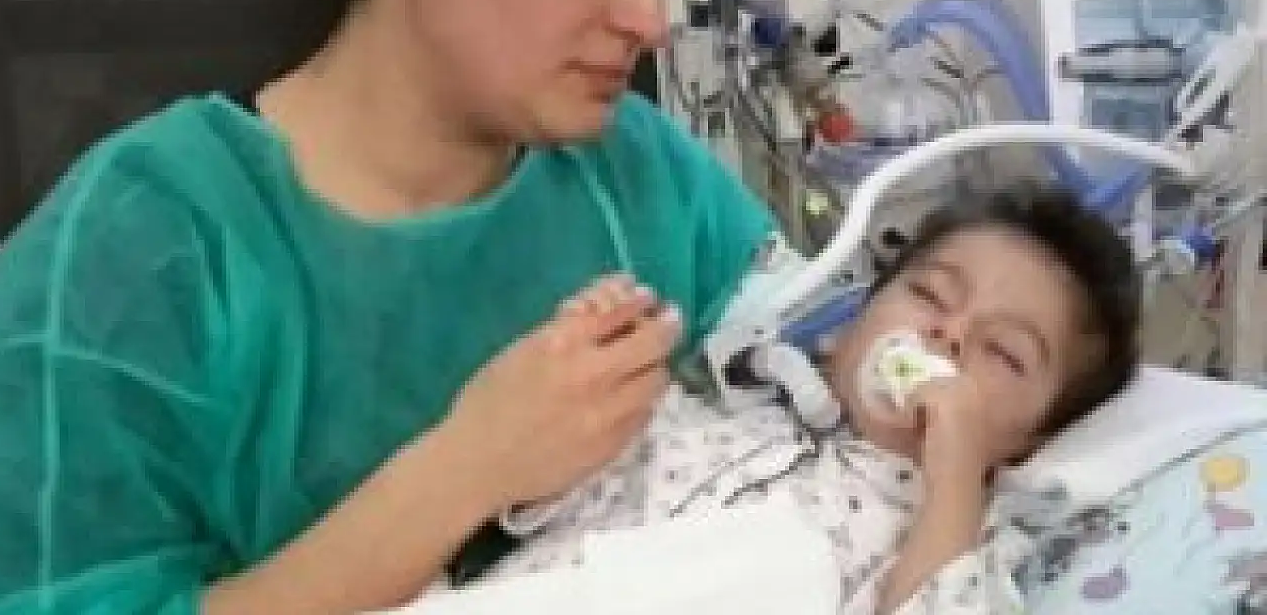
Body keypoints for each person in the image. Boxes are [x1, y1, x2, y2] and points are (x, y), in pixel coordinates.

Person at [0, 0, 776, 612]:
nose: (649, 17)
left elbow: (795, 348)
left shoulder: (639, 172)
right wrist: (468, 470)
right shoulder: (142, 252)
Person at [481, 185, 1142, 614]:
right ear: (847, 333)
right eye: (929, 295)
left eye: (1004, 353)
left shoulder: (958, 539)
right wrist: (594, 355)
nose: (950, 334)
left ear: (1031, 440)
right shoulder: (710, 415)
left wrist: (956, 482)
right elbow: (546, 495)